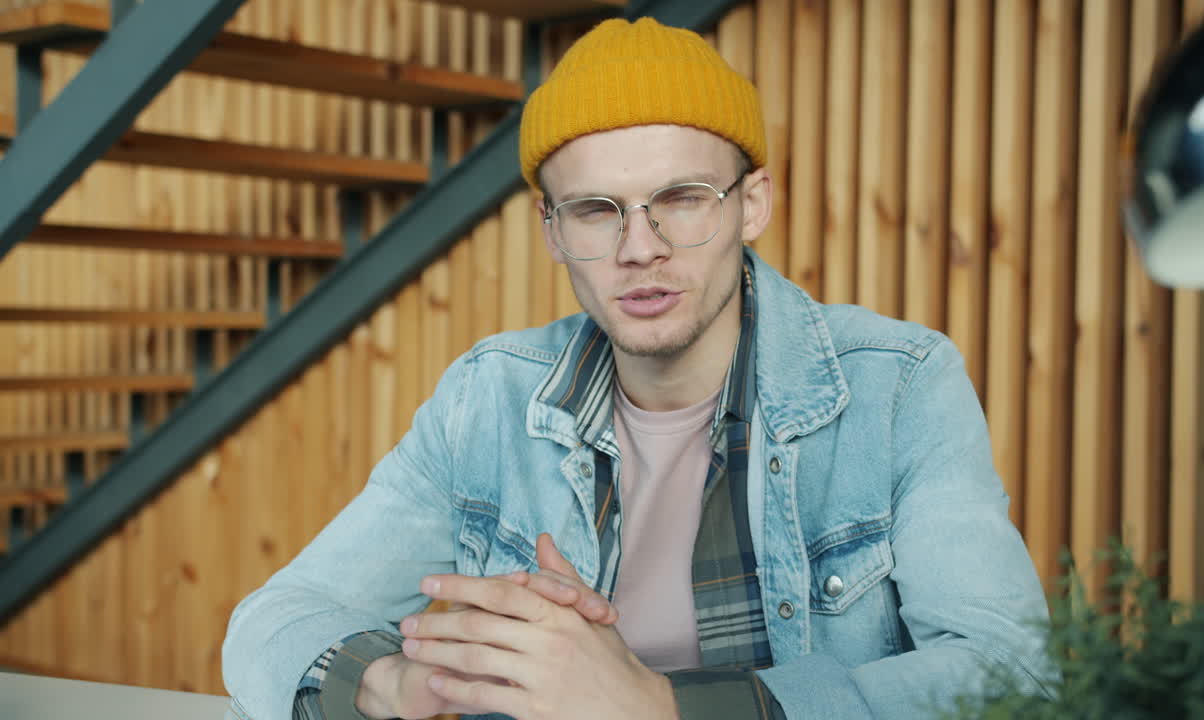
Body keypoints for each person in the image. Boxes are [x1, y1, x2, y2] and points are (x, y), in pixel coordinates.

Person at [223, 16, 1051, 720]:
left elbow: (1012, 674)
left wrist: (659, 705)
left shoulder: (899, 384)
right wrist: (396, 683)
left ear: (751, 204)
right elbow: (272, 623)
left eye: (683, 199)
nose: (640, 249)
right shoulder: (488, 398)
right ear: (552, 230)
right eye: (596, 210)